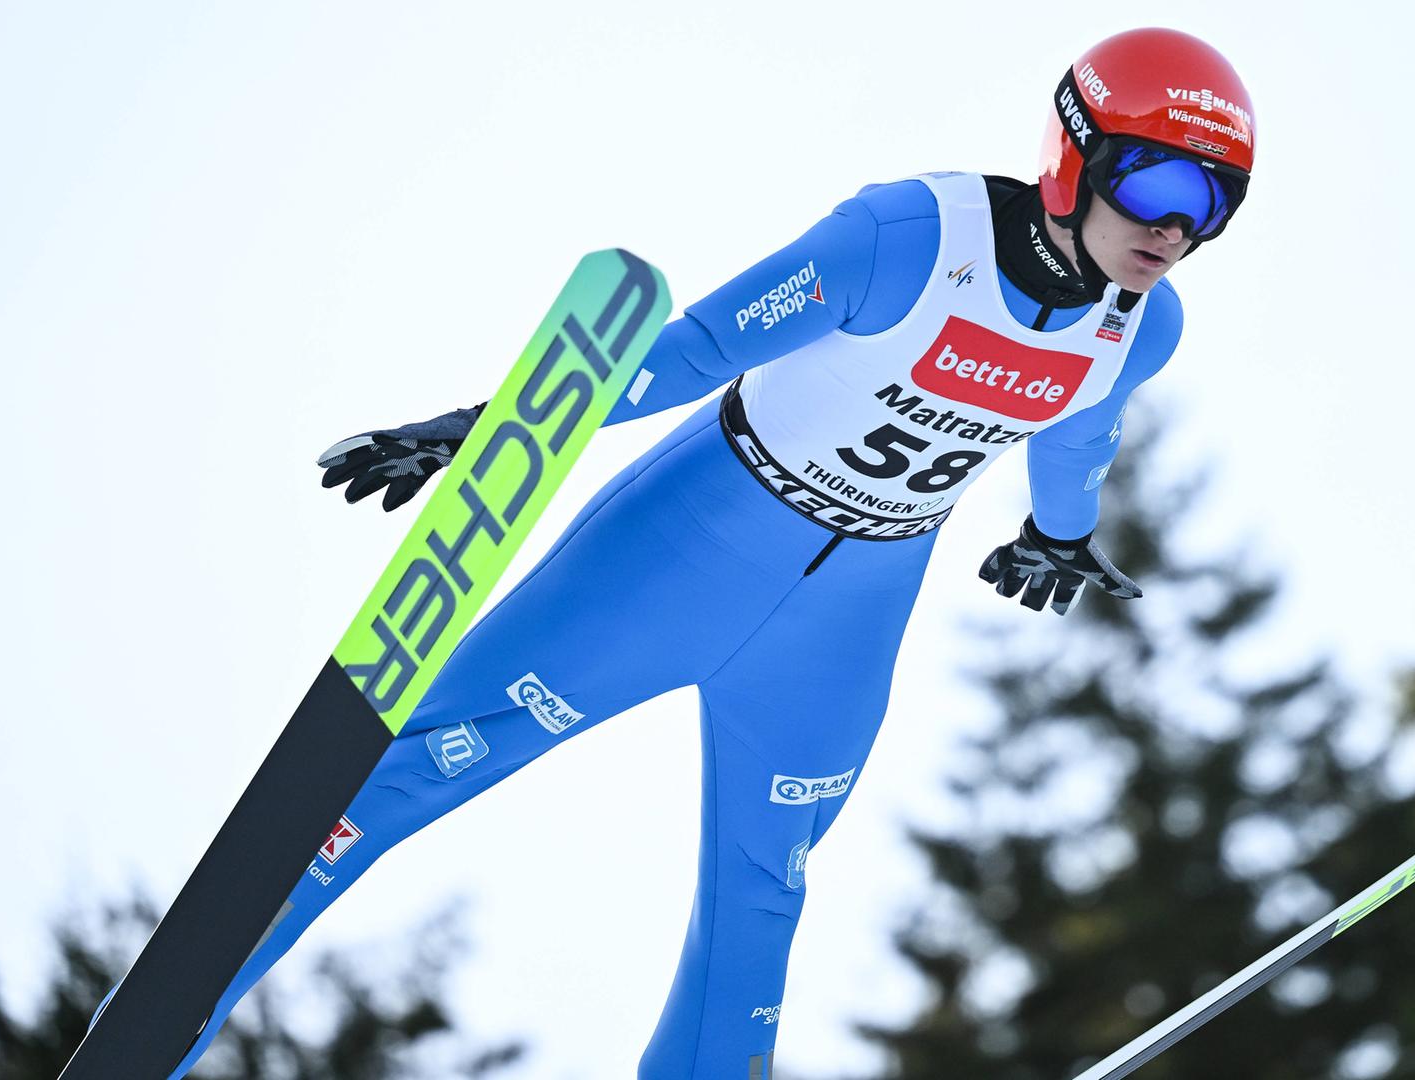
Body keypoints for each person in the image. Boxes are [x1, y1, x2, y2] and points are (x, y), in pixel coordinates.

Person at [170, 26, 1256, 1079]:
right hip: (692, 543)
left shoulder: (1139, 326)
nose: (1176, 227)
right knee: (414, 769)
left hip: (850, 615)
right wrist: (490, 425)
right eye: (1156, 182)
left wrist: (1059, 535)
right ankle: (167, 1031)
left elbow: (1078, 434)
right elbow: (694, 347)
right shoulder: (907, 240)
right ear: (1075, 155)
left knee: (763, 890)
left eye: (1213, 201)